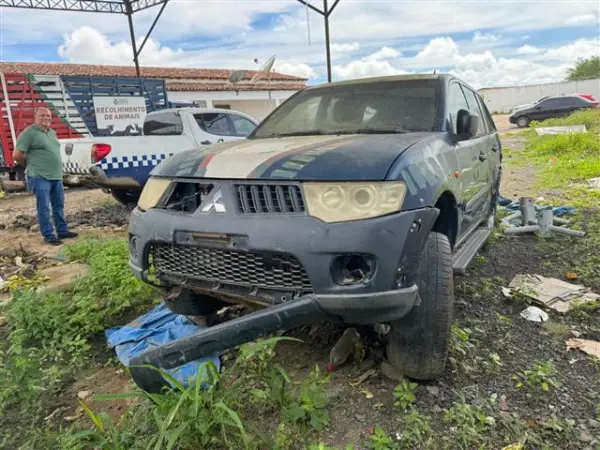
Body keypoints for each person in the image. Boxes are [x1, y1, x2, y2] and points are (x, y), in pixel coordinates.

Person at [13, 107, 78, 245]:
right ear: (35, 117)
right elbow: (17, 155)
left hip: (56, 176)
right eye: (42, 115)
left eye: (48, 116)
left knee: (58, 205)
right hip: (39, 176)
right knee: (44, 207)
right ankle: (48, 235)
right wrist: (30, 166)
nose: (46, 118)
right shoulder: (29, 133)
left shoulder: (52, 133)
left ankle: (62, 230)